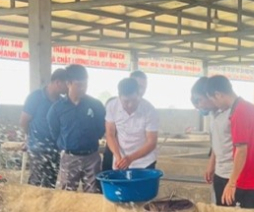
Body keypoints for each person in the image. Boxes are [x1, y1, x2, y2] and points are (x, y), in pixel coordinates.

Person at [204, 75, 254, 209]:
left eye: (212, 99)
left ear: (218, 95)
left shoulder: (239, 112)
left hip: (251, 181)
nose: (214, 105)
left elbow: (241, 150)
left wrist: (231, 183)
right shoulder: (248, 107)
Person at [47, 64, 106, 192]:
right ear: (68, 83)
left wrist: (90, 140)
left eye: (85, 85)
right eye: (79, 85)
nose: (83, 88)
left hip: (91, 156)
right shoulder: (57, 108)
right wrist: (65, 144)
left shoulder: (95, 105)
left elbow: (101, 127)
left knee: (93, 193)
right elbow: (54, 131)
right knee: (66, 194)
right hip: (69, 157)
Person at [20, 67, 68, 188]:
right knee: (35, 182)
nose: (68, 87)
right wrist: (29, 138)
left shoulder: (62, 102)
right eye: (66, 84)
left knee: (50, 183)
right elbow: (24, 121)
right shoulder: (35, 97)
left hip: (54, 149)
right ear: (58, 82)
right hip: (38, 148)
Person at [191, 76, 233, 205]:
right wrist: (211, 164)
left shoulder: (231, 113)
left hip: (231, 174)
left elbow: (242, 148)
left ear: (210, 96)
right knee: (219, 208)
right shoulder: (213, 115)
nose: (200, 105)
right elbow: (217, 143)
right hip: (220, 171)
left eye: (200, 100)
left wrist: (233, 182)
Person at [105, 76, 159, 170]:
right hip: (121, 160)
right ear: (119, 96)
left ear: (138, 94)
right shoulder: (112, 106)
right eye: (126, 101)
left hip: (144, 162)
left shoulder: (149, 110)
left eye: (134, 100)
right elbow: (110, 134)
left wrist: (130, 158)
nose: (130, 105)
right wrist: (117, 156)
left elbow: (151, 142)